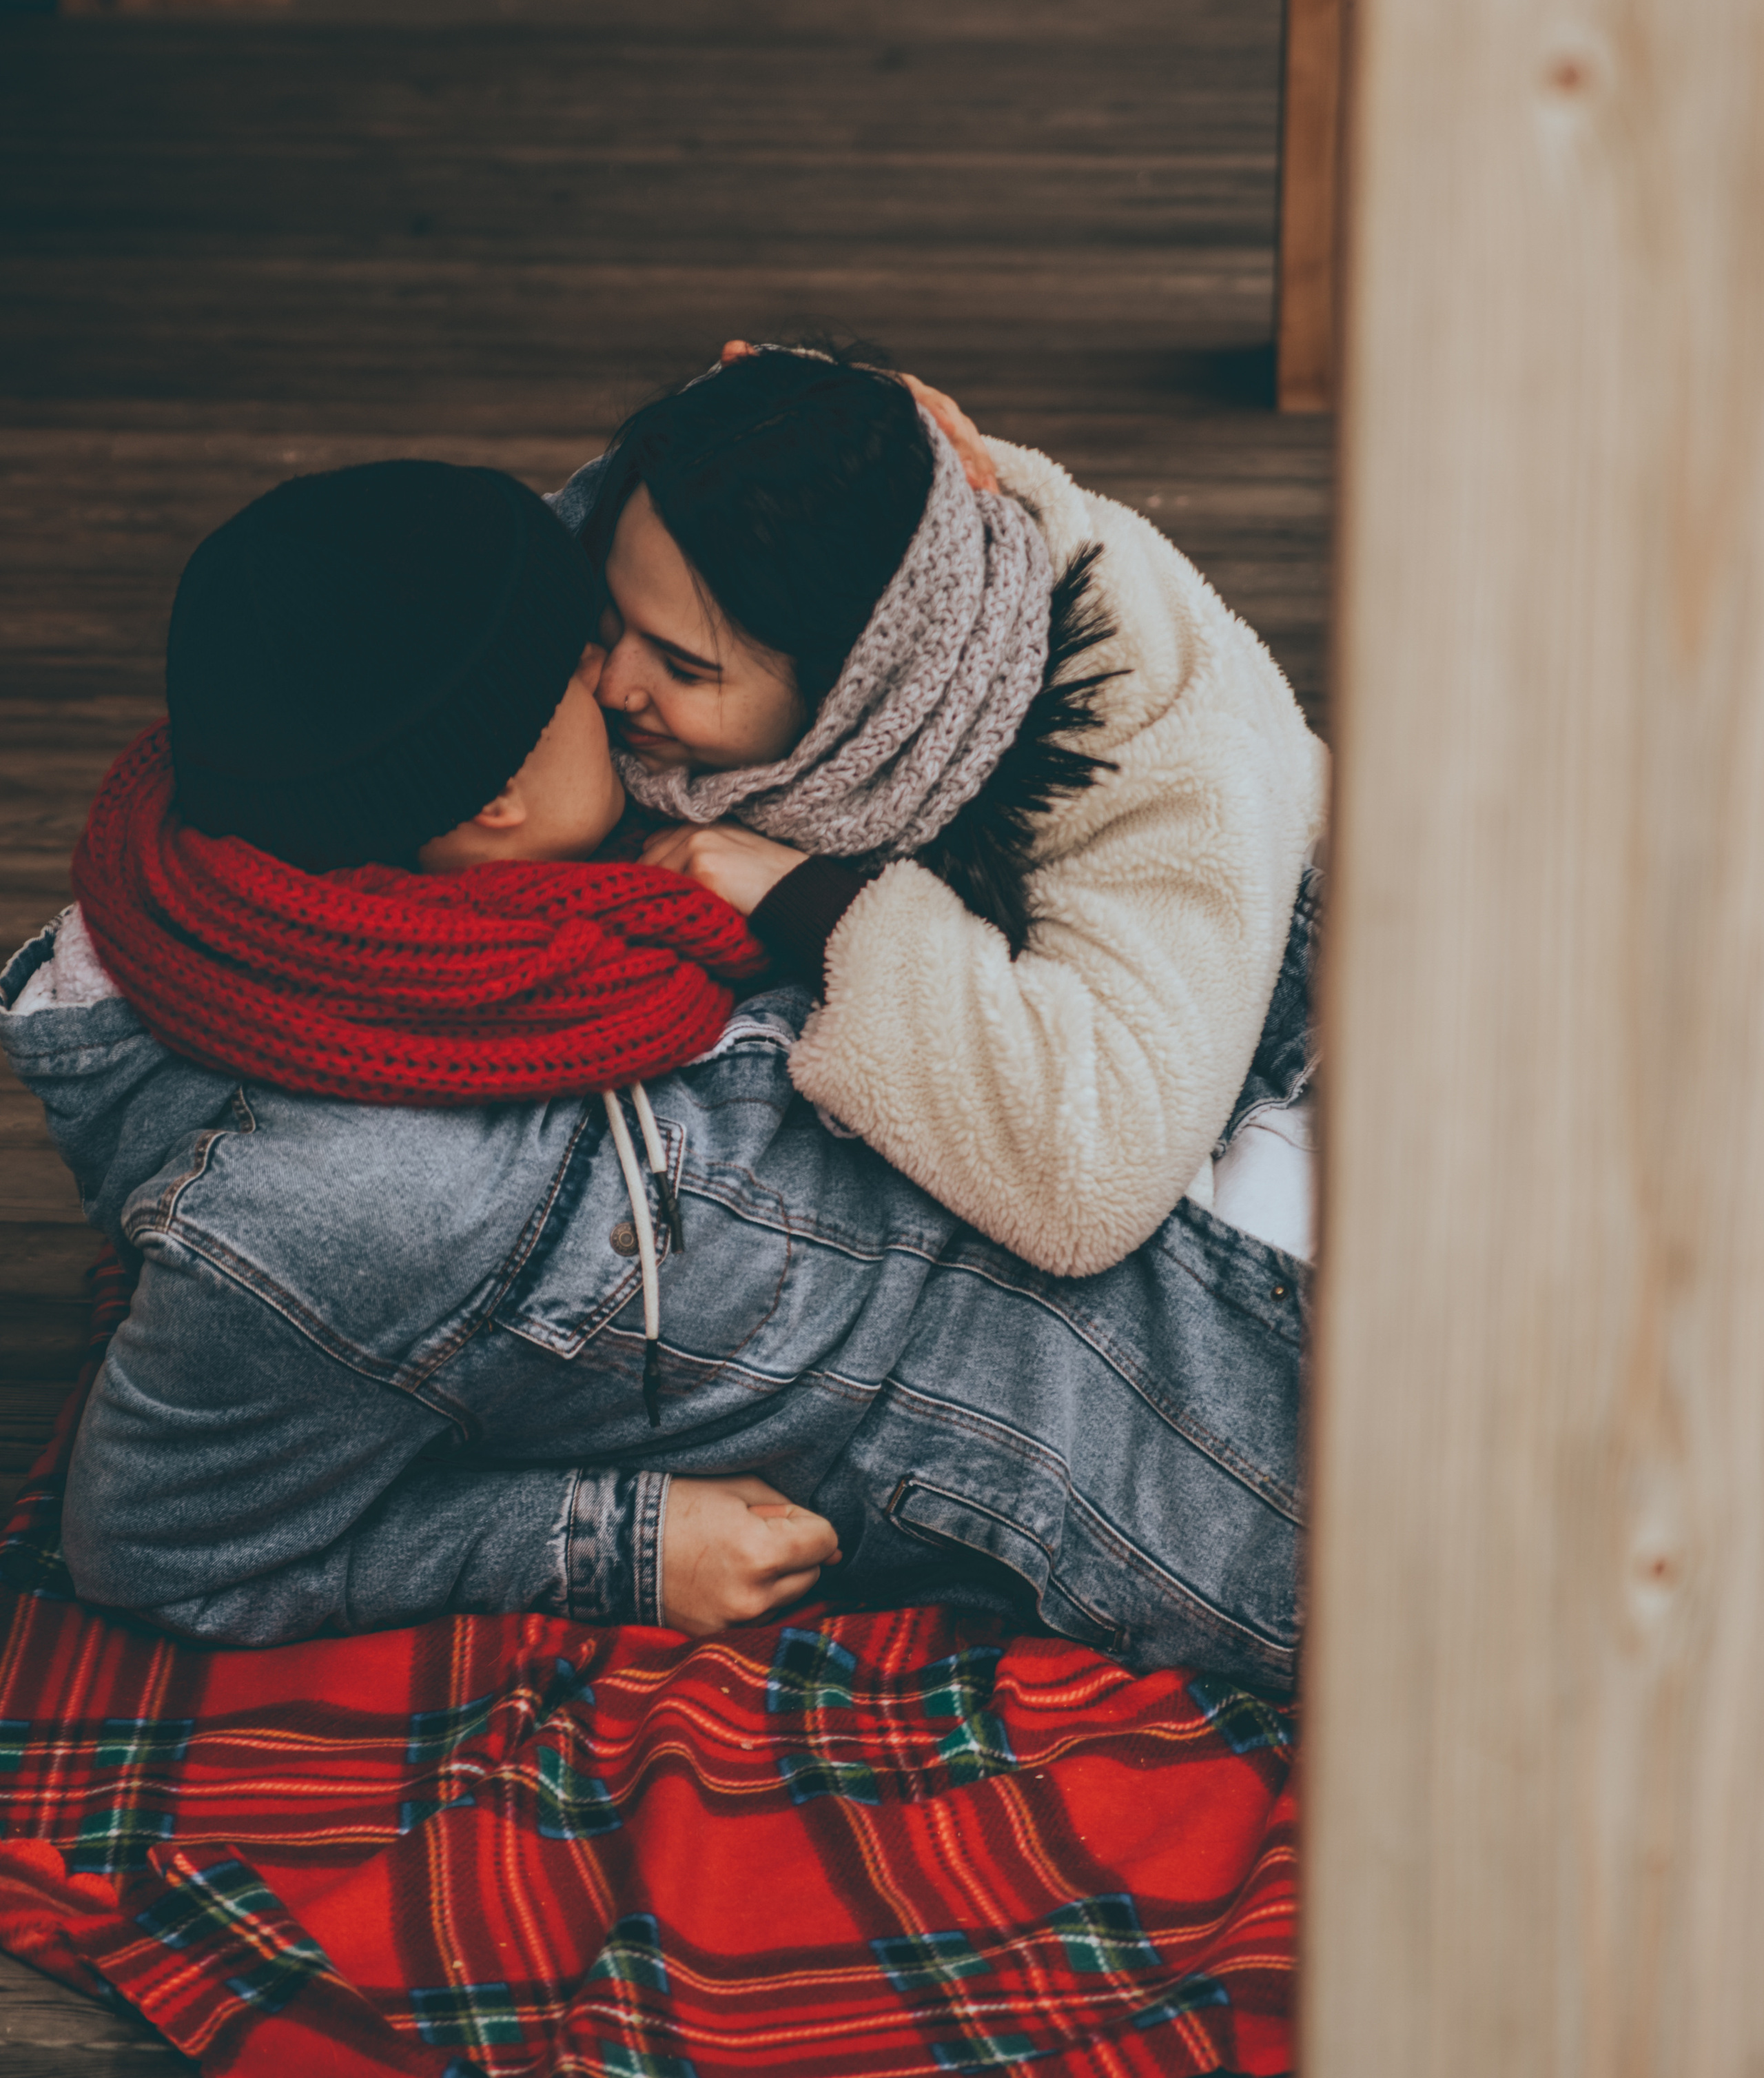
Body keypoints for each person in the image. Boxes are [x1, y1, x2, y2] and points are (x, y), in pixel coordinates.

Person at [1, 457, 1305, 1693]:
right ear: (496, 799)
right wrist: (605, 1543)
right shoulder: (328, 1210)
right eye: (584, 660)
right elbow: (150, 1547)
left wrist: (949, 463)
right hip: (1159, 1402)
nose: (624, 677)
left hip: (1194, 1072)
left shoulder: (381, 822)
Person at [547, 343, 1328, 1281]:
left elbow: (1089, 1178)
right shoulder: (776, 518)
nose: (612, 682)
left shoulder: (1155, 739)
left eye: (682, 669)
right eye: (604, 623)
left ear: (860, 691)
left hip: (1295, 1029)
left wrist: (808, 900)